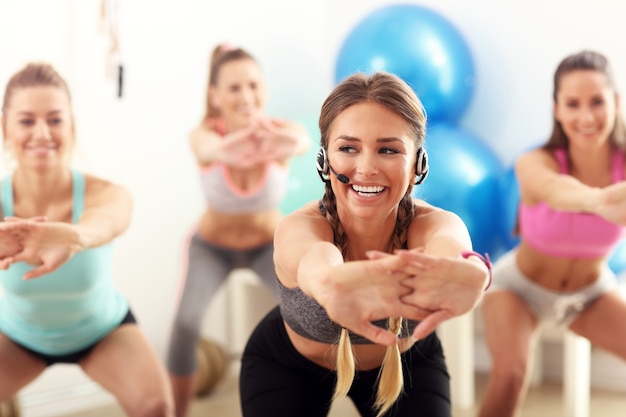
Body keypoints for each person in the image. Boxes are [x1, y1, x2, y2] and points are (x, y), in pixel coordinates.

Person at [239, 71, 492, 417]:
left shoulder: (434, 225)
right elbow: (317, 260)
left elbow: (453, 252)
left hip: (404, 362)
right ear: (324, 160)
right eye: (348, 148)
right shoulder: (300, 227)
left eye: (388, 149)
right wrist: (332, 289)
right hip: (289, 364)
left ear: (419, 162)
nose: (367, 168)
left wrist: (471, 274)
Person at [0, 62, 174, 416]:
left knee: (155, 407)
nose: (42, 133)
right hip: (18, 336)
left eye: (54, 119)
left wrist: (75, 237)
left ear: (72, 126)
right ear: (6, 128)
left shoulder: (103, 193)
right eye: (26, 120)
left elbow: (111, 219)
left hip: (102, 331)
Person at [165, 43, 310, 417]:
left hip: (268, 246)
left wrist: (273, 141)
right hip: (212, 247)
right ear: (215, 96)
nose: (246, 96)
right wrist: (236, 144)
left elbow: (302, 140)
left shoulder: (280, 131)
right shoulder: (204, 134)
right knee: (185, 323)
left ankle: (299, 402)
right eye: (234, 88)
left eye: (253, 85)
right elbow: (210, 149)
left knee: (303, 318)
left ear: (264, 88)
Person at [479, 49, 626, 417]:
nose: (586, 116)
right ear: (557, 109)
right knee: (511, 374)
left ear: (616, 102)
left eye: (597, 102)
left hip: (590, 293)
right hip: (518, 287)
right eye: (572, 104)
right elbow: (556, 190)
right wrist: (600, 200)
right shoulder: (534, 162)